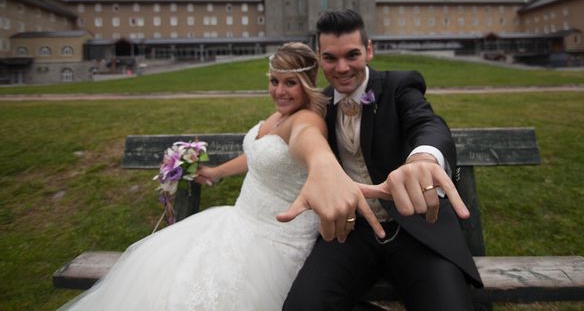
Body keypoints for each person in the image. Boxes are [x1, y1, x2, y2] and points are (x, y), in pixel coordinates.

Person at [59, 42, 382, 311]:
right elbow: (256, 156)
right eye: (274, 81)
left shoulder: (308, 121)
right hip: (238, 220)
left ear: (307, 82)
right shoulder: (281, 114)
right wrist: (214, 172)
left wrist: (322, 165)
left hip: (274, 239)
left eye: (290, 83)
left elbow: (311, 147)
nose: (279, 91)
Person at [281, 10, 483, 311]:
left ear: (369, 50)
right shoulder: (318, 104)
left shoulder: (399, 85)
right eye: (330, 58)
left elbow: (426, 123)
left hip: (416, 229)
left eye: (352, 55)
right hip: (350, 231)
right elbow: (294, 130)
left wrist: (423, 158)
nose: (342, 67)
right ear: (320, 58)